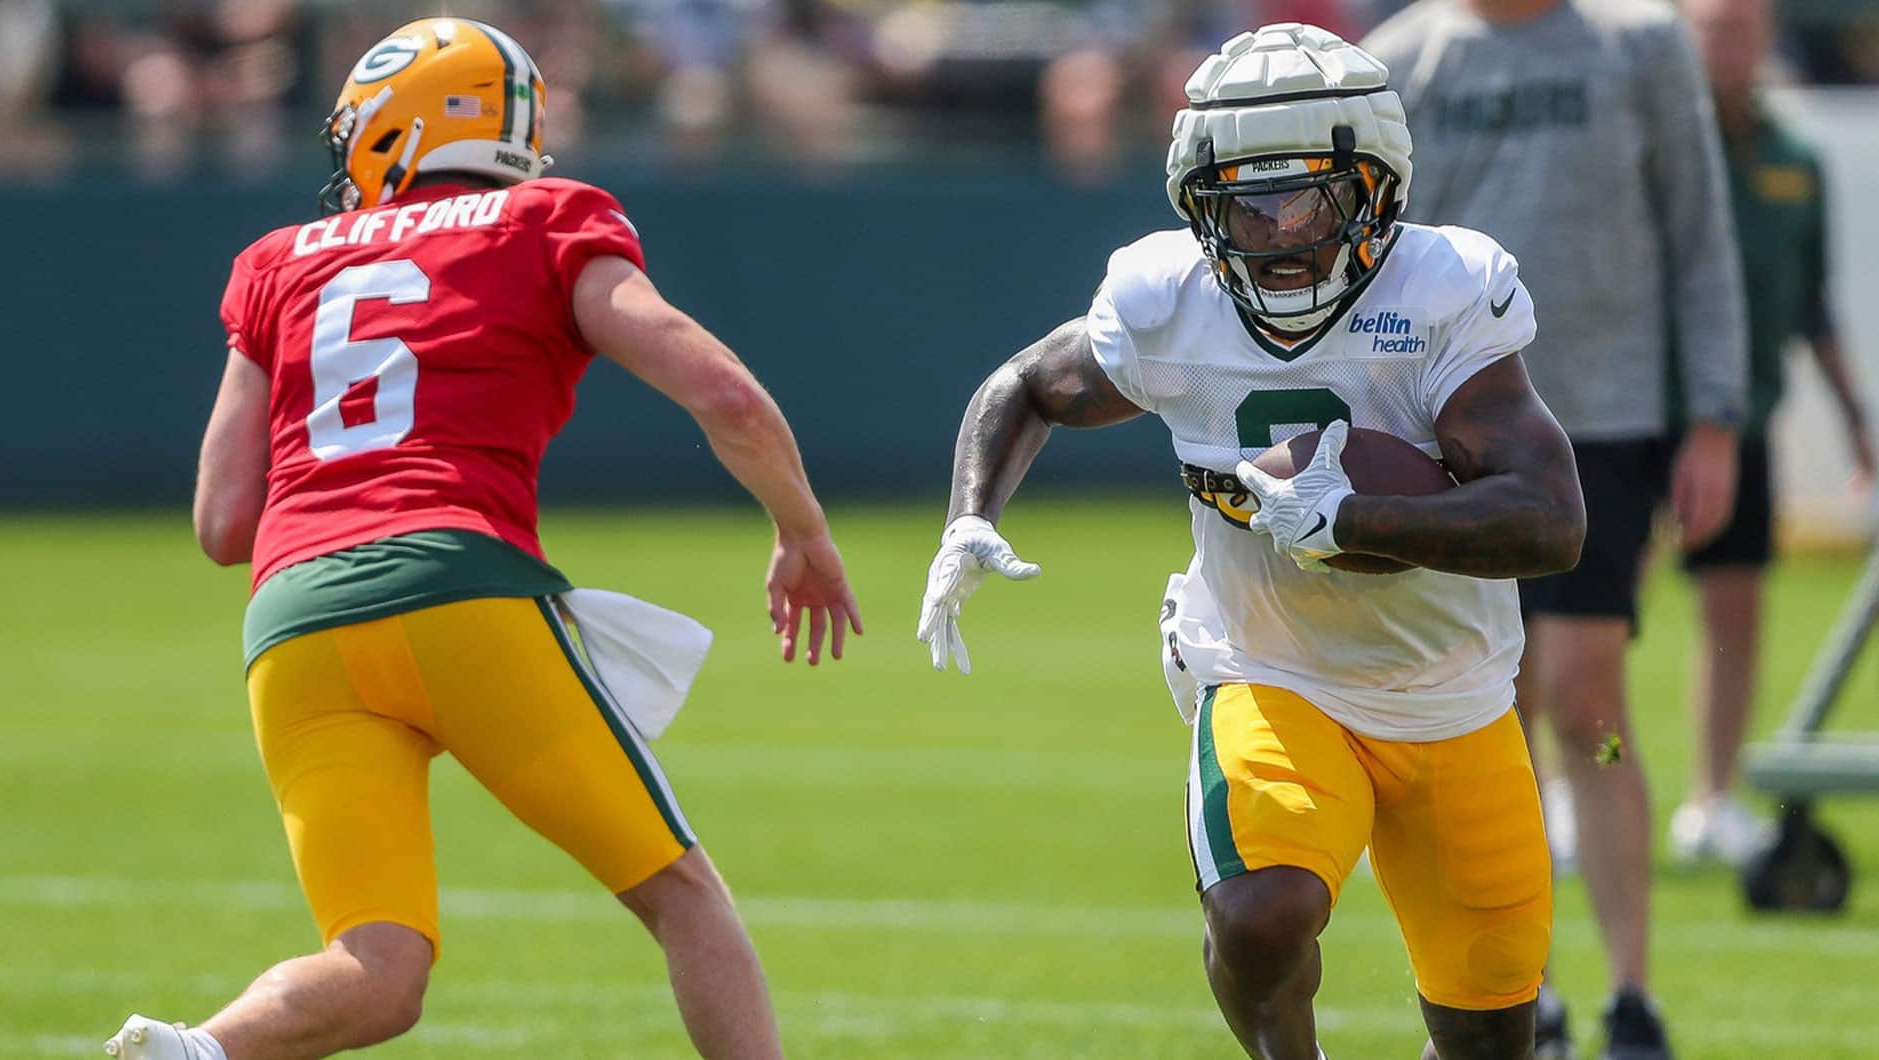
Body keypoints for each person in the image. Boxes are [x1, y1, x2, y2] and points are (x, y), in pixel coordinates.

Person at [104, 18, 861, 1060]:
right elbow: (721, 390)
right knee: (681, 894)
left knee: (377, 971)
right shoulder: (546, 220)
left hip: (295, 627)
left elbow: (222, 525)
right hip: (459, 590)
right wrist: (801, 528)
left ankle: (196, 1051)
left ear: (386, 128)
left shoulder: (278, 261)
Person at [917, 23, 1584, 1060]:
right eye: (1243, 201)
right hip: (1267, 666)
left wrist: (1354, 520)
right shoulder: (1166, 297)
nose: (1273, 230)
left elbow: (1551, 519)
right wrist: (970, 514)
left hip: (1452, 688)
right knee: (1259, 913)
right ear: (1197, 203)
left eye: (1303, 196)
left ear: (1375, 187)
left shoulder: (1444, 290)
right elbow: (1028, 385)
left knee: (1492, 1032)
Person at [1362, 2, 1749, 1055]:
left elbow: (1698, 229)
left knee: (1591, 702)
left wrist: (1715, 414)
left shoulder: (1641, 43)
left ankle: (1633, 994)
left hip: (1604, 426)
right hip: (1451, 431)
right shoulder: (1401, 58)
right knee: (1497, 711)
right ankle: (1520, 992)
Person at [1668, 0, 1874, 866]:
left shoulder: (1794, 159)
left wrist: (1854, 414)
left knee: (1736, 608)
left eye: (1743, 28)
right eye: (1715, 27)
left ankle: (1710, 799)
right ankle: (1569, 789)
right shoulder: (1662, 149)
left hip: (1743, 416)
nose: (1729, 44)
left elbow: (1812, 300)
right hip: (1640, 418)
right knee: (1592, 620)